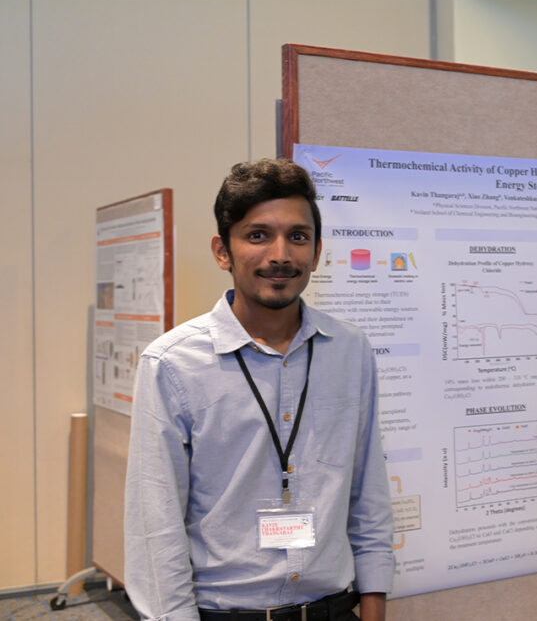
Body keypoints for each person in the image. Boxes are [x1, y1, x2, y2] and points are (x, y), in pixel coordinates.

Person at [124, 158, 394, 621]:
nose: (280, 254)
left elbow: (367, 488)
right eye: (258, 235)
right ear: (222, 251)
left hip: (333, 609)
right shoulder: (171, 364)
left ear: (317, 252)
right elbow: (155, 525)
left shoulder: (350, 350)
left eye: (298, 236)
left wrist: (374, 600)